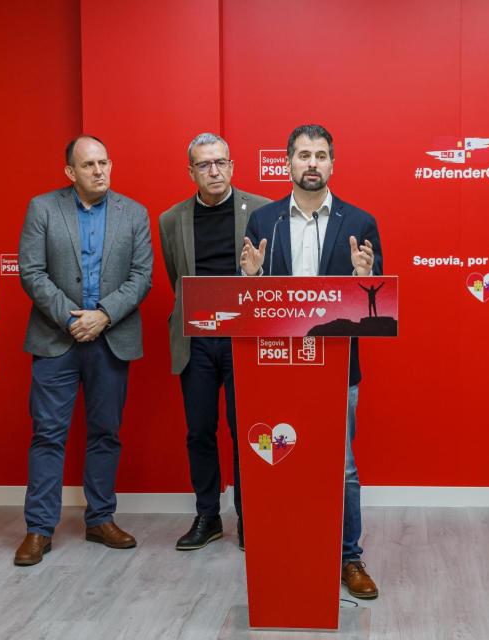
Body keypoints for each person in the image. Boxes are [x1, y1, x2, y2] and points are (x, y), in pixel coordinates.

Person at [240, 124, 382, 599]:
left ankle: (349, 557)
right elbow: (253, 306)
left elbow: (373, 307)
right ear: (288, 163)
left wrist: (367, 279)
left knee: (341, 467)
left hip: (338, 367)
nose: (313, 163)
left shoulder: (359, 222)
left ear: (332, 164)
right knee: (282, 462)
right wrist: (251, 280)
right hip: (277, 368)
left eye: (321, 155)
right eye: (304, 155)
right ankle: (288, 548)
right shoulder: (264, 221)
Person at [14, 135, 153, 566]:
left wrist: (103, 316)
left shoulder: (135, 213)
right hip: (57, 339)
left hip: (111, 338)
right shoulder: (43, 208)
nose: (99, 171)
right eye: (89, 165)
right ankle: (39, 529)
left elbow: (141, 275)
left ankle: (100, 519)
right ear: (70, 173)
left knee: (105, 433)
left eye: (105, 163)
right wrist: (72, 319)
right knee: (48, 434)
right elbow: (31, 272)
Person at [159, 133, 269, 551]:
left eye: (221, 162)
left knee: (245, 430)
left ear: (233, 166)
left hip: (243, 338)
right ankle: (208, 515)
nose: (214, 171)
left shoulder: (260, 211)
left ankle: (249, 516)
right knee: (199, 430)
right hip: (196, 341)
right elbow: (177, 279)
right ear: (191, 172)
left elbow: (269, 276)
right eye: (204, 165)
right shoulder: (171, 220)